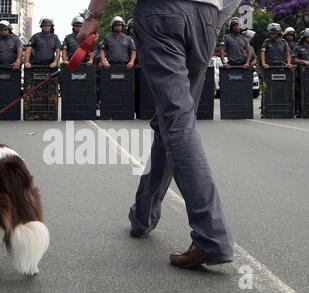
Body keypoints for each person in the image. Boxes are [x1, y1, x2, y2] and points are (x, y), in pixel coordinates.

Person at [78, 0, 235, 268]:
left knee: (177, 121)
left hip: (162, 12)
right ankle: (142, 217)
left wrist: (93, 16)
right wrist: (218, 21)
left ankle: (212, 237)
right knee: (175, 121)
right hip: (207, 17)